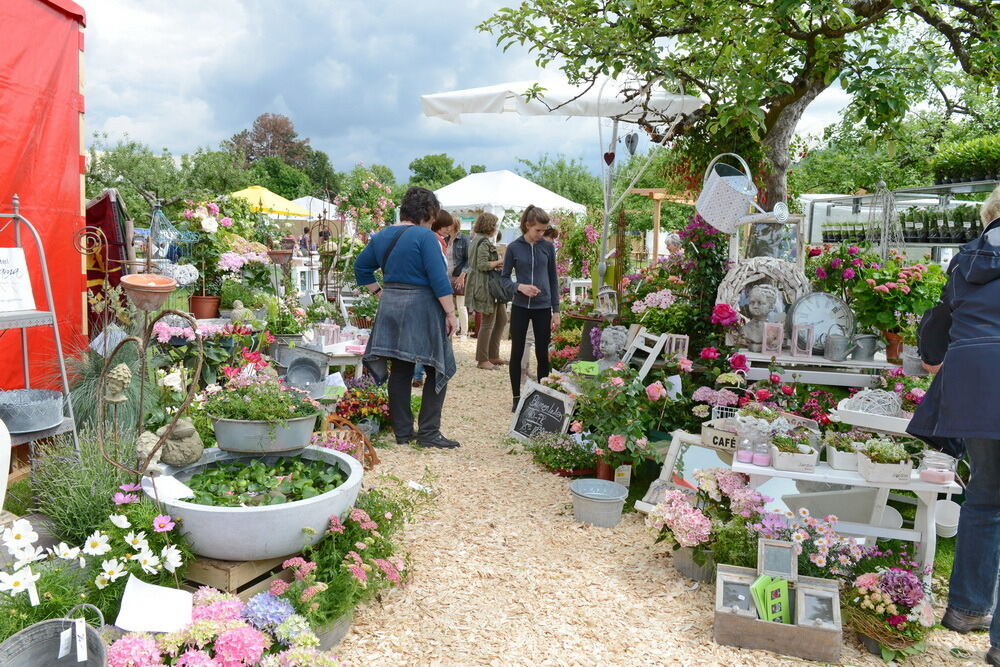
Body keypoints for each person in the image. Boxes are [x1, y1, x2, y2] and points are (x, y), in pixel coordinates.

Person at [908, 184, 1000, 666]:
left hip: (973, 380)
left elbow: (940, 320)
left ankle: (967, 608)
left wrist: (933, 357)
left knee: (986, 496)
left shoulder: (967, 258)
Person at [354, 186, 459, 449]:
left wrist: (378, 291)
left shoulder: (381, 236)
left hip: (391, 304)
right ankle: (428, 433)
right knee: (437, 367)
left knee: (400, 368)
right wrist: (450, 313)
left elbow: (361, 267)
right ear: (428, 213)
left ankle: (403, 432)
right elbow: (438, 278)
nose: (434, 222)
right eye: (433, 216)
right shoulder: (425, 237)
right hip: (422, 307)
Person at [502, 205, 560, 411]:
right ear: (527, 225)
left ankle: (544, 398)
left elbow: (553, 279)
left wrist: (557, 310)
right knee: (517, 353)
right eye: (538, 230)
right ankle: (516, 398)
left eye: (544, 231)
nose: (541, 234)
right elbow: (504, 279)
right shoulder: (514, 248)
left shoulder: (547, 247)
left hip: (543, 307)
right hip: (520, 307)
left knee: (543, 354)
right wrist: (520, 287)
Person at [466, 213, 507, 370]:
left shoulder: (477, 240)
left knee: (501, 318)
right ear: (488, 226)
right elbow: (482, 265)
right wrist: (499, 262)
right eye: (495, 225)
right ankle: (483, 359)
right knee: (488, 322)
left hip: (489, 285)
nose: (496, 229)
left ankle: (493, 355)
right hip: (485, 285)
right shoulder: (482, 242)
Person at [448, 217, 470, 337]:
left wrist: (462, 275)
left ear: (454, 225)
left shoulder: (464, 239)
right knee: (449, 305)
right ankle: (453, 330)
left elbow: (469, 260)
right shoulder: (445, 239)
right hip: (447, 276)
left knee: (461, 305)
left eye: (448, 225)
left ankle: (464, 333)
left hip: (459, 276)